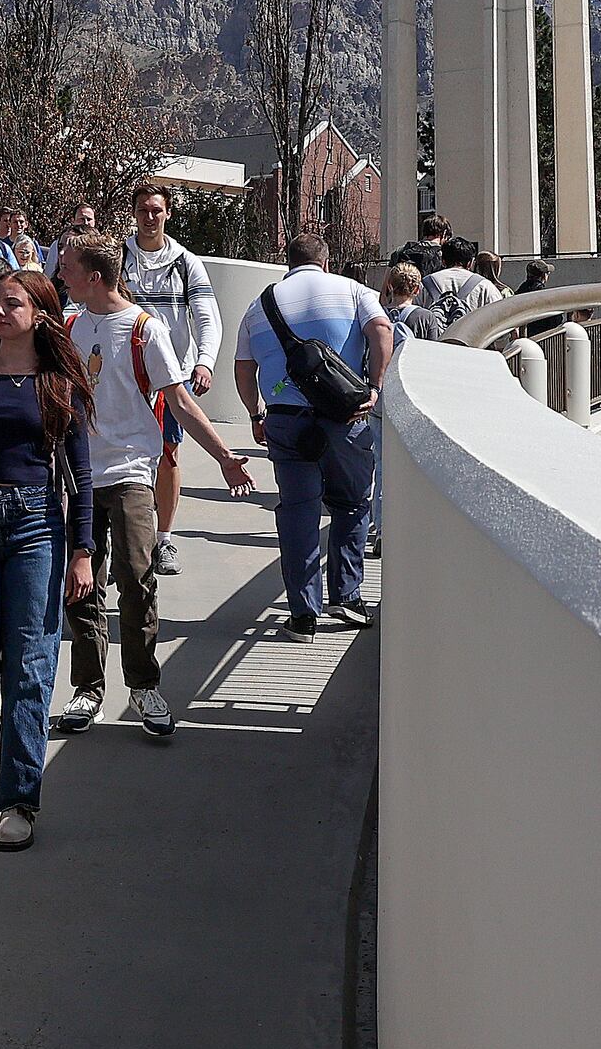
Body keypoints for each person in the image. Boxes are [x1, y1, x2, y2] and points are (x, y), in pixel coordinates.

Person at [52, 237, 254, 739]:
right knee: (81, 586)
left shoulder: (145, 330)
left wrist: (225, 457)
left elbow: (180, 401)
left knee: (137, 577)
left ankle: (143, 684)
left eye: (68, 268)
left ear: (94, 276)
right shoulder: (72, 324)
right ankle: (88, 689)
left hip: (129, 474)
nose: (62, 275)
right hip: (78, 478)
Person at [0, 269, 93, 851]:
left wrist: (81, 551)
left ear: (40, 313)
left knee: (30, 665)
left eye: (12, 304)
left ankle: (19, 800)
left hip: (37, 526)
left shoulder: (59, 380)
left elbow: (80, 474)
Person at [236, 232, 399, 641]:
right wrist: (375, 387)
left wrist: (256, 411)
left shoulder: (260, 305)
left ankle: (302, 616)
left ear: (287, 262)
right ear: (326, 262)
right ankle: (346, 595)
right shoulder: (353, 291)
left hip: (286, 420)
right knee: (351, 504)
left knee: (298, 512)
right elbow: (382, 331)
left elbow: (243, 367)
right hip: (345, 416)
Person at [123, 181, 222, 578]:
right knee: (117, 458)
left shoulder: (185, 262)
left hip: (168, 379)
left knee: (167, 456)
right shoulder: (118, 258)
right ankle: (122, 537)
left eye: (156, 210)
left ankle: (163, 538)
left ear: (167, 214)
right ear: (134, 213)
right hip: (121, 377)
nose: (150, 218)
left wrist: (205, 362)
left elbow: (206, 316)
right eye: (143, 210)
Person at [425, 237, 503, 329]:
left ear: (443, 261)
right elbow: (500, 322)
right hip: (473, 342)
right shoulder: (485, 286)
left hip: (432, 342)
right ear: (470, 263)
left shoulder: (425, 284)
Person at [384, 260, 450, 342]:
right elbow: (433, 350)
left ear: (390, 286)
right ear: (417, 290)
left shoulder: (377, 314)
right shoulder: (426, 317)